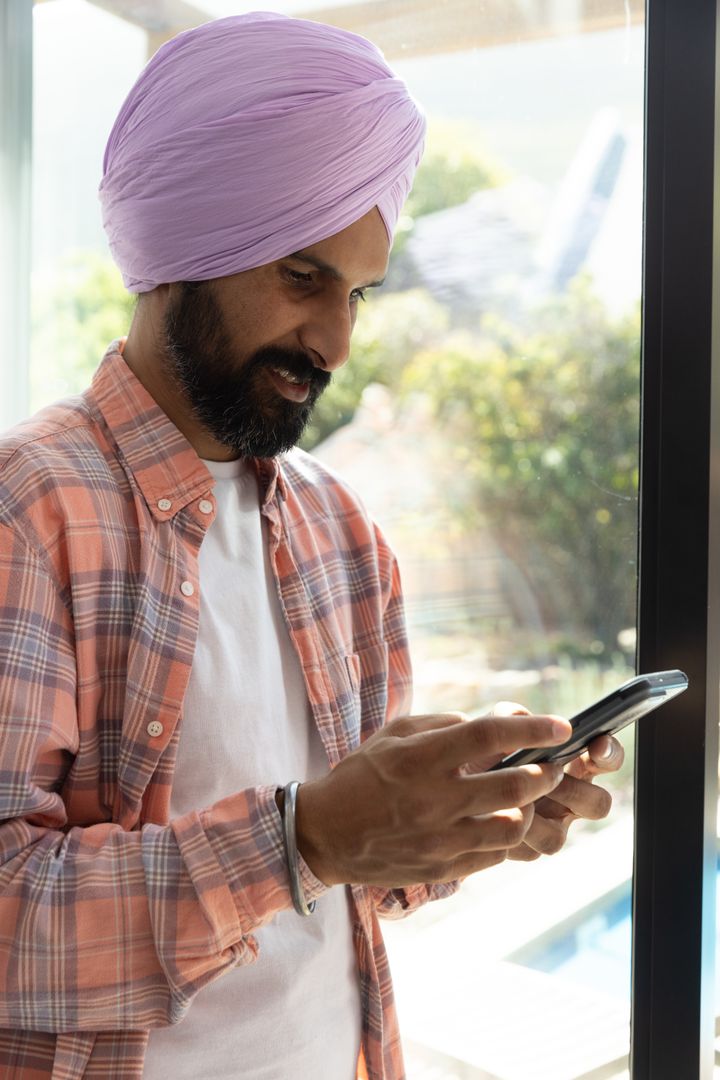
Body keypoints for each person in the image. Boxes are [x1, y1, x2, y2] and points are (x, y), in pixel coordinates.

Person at [0, 12, 623, 1080]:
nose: (336, 340)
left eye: (358, 292)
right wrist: (304, 840)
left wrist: (468, 821)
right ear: (187, 248)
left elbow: (347, 880)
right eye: (302, 276)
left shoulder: (340, 532)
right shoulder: (32, 513)